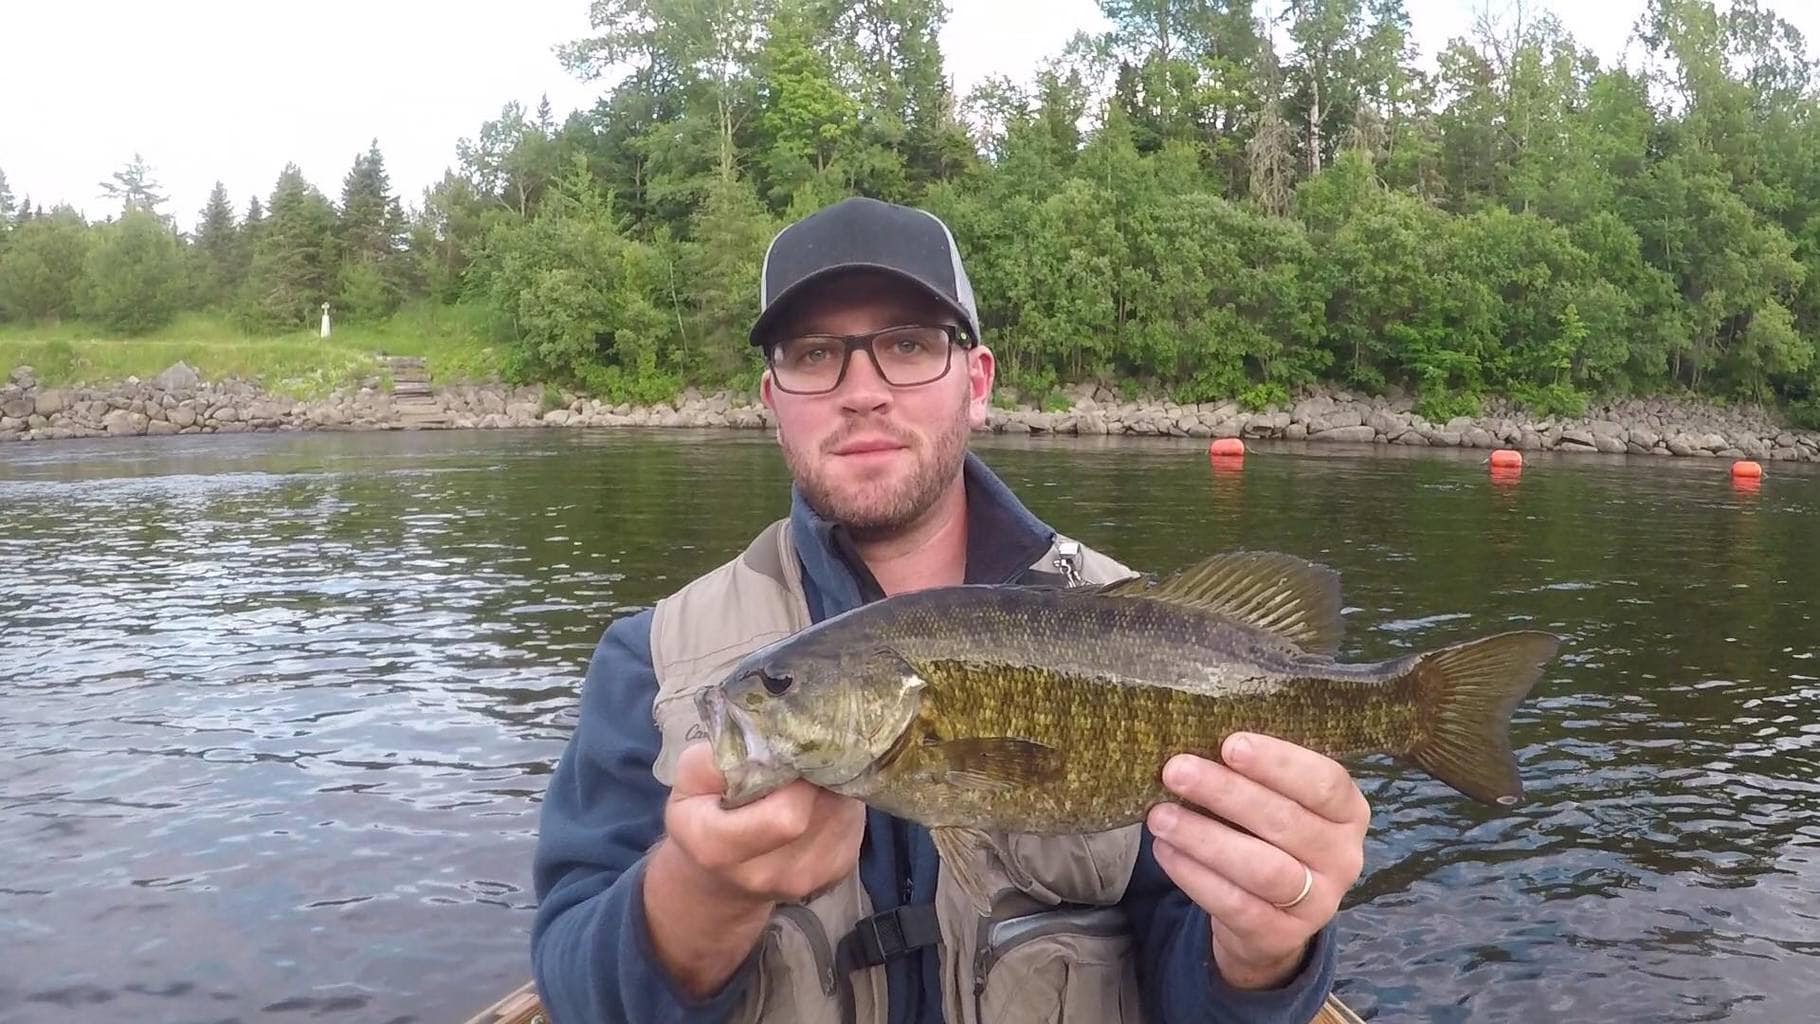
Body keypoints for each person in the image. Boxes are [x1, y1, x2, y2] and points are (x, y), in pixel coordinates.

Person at [530, 196, 1371, 1024]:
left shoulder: (1146, 628)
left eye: (906, 344)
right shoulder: (653, 658)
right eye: (815, 354)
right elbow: (573, 985)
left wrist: (1264, 956)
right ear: (772, 399)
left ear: (977, 381)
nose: (862, 390)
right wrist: (696, 898)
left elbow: (1195, 993)